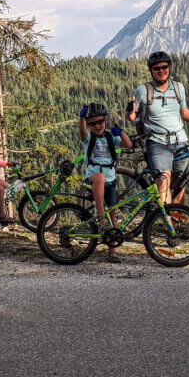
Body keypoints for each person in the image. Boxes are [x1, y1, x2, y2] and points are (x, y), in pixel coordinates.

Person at [126, 51, 189, 206]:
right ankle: (167, 226)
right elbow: (133, 117)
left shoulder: (179, 88)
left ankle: (174, 219)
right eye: (156, 68)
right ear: (151, 70)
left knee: (180, 183)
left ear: (170, 67)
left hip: (181, 142)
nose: (161, 71)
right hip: (157, 143)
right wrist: (129, 111)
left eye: (164, 67)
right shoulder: (143, 91)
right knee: (163, 182)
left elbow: (184, 112)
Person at [78, 101, 133, 263]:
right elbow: (82, 133)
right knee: (100, 178)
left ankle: (113, 250)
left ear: (106, 121)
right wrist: (81, 119)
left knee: (114, 217)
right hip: (93, 177)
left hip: (111, 179)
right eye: (92, 123)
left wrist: (121, 133)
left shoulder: (111, 137)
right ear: (88, 125)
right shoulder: (88, 139)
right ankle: (101, 217)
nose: (97, 126)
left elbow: (128, 144)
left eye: (100, 122)